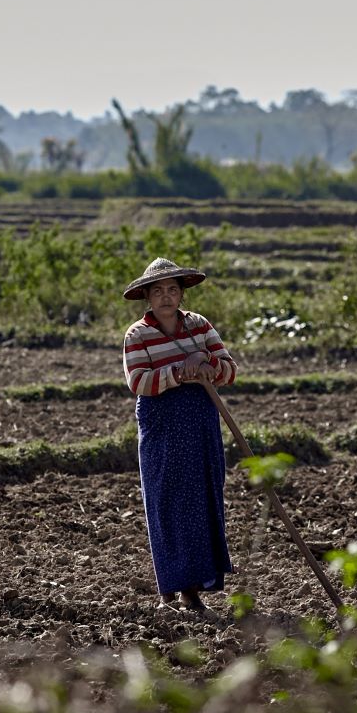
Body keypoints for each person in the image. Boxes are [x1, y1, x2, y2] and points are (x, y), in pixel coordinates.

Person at [121, 257, 238, 613]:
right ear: (147, 296)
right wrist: (180, 372)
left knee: (201, 499)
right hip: (162, 424)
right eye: (158, 291)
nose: (166, 297)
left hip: (200, 420)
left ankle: (193, 587)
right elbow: (138, 382)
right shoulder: (137, 335)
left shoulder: (200, 326)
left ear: (182, 294)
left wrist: (205, 364)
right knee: (167, 501)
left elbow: (229, 370)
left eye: (172, 290)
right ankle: (175, 590)